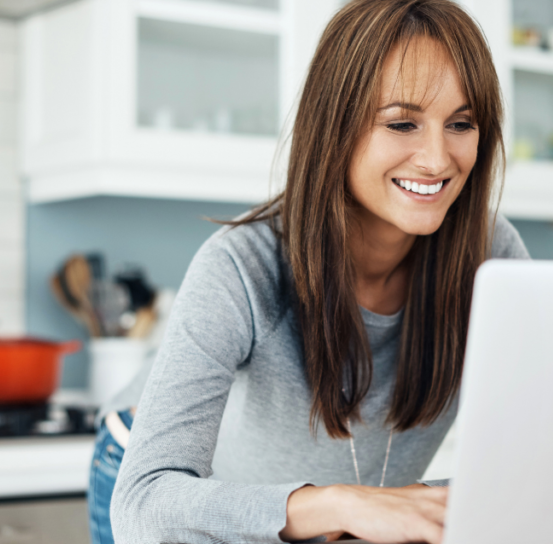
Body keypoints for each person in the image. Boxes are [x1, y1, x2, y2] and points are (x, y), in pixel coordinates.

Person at [88, 1, 530, 542]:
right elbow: (145, 503)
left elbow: (538, 454)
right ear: (335, 124)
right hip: (169, 485)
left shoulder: (492, 258)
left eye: (461, 123)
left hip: (341, 514)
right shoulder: (240, 267)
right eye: (402, 122)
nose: (437, 159)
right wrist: (338, 505)